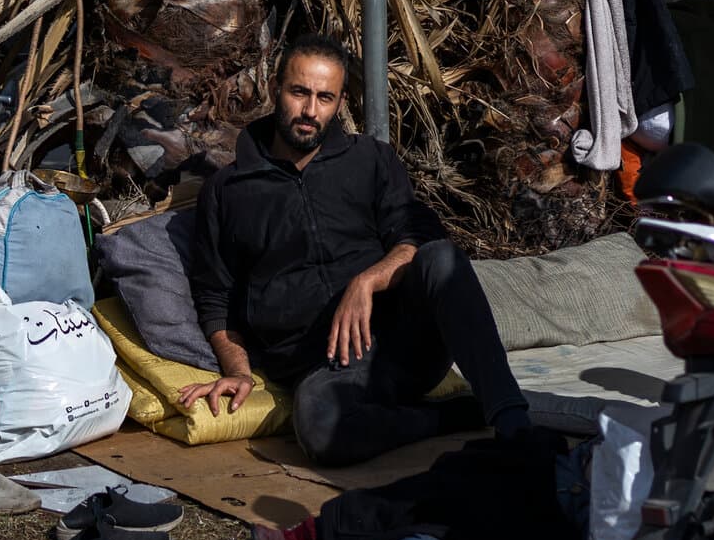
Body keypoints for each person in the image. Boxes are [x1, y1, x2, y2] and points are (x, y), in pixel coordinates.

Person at [183, 32, 530, 466]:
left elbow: (420, 235)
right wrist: (238, 372)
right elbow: (216, 297)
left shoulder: (370, 159)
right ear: (276, 88)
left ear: (341, 101)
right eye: (299, 93)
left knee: (443, 259)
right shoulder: (227, 190)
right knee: (318, 430)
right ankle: (447, 419)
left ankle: (512, 419)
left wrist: (368, 281)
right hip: (322, 370)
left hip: (405, 347)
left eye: (325, 98)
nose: (310, 111)